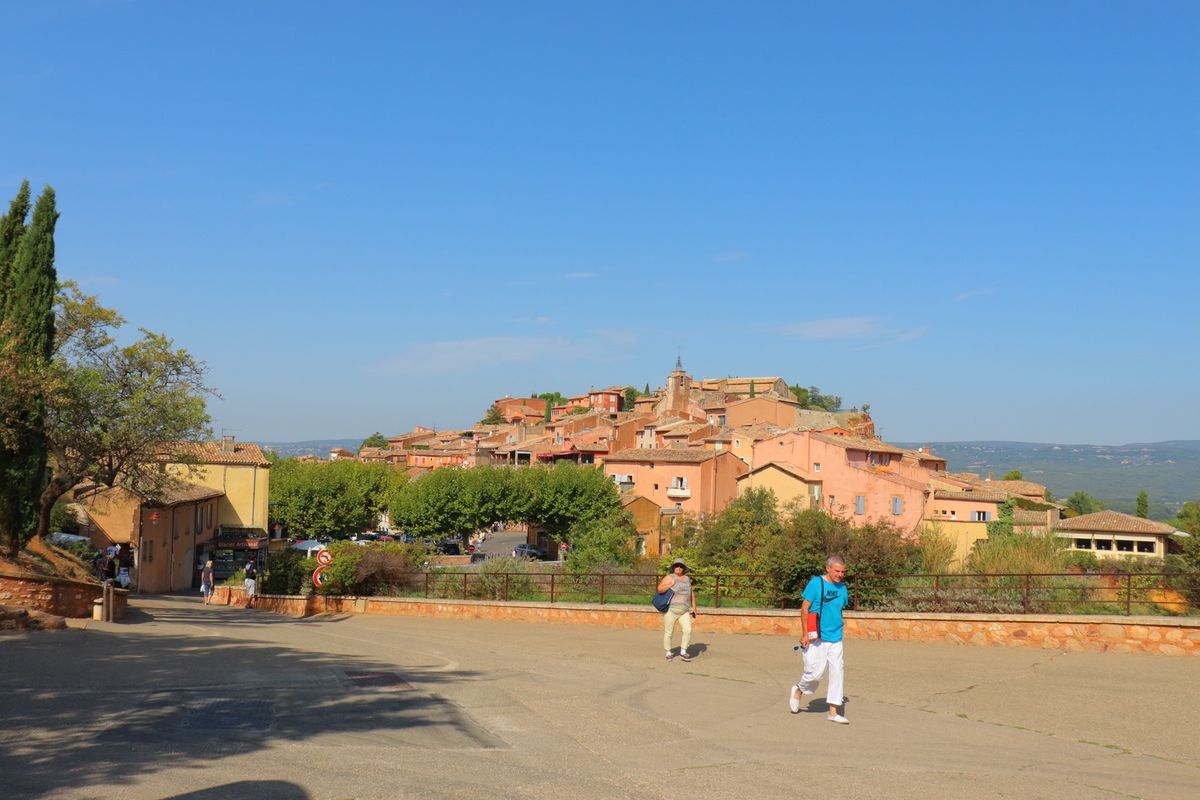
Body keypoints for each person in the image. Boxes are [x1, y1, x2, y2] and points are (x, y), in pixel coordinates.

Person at [789, 555, 851, 723]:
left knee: (838, 671)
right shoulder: (816, 584)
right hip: (817, 637)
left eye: (843, 572)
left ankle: (833, 712)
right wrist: (804, 633)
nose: (840, 575)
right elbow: (804, 609)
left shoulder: (843, 588)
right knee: (814, 675)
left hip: (836, 637)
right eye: (837, 571)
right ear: (828, 569)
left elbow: (838, 609)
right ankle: (799, 690)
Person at [657, 558, 698, 661]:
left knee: (688, 630)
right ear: (673, 567)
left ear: (684, 568)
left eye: (681, 566)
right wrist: (670, 585)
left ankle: (683, 652)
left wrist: (694, 607)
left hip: (684, 610)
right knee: (669, 632)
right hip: (671, 609)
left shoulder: (687, 579)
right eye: (677, 566)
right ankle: (668, 652)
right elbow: (660, 589)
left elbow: (691, 593)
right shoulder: (670, 577)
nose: (679, 568)